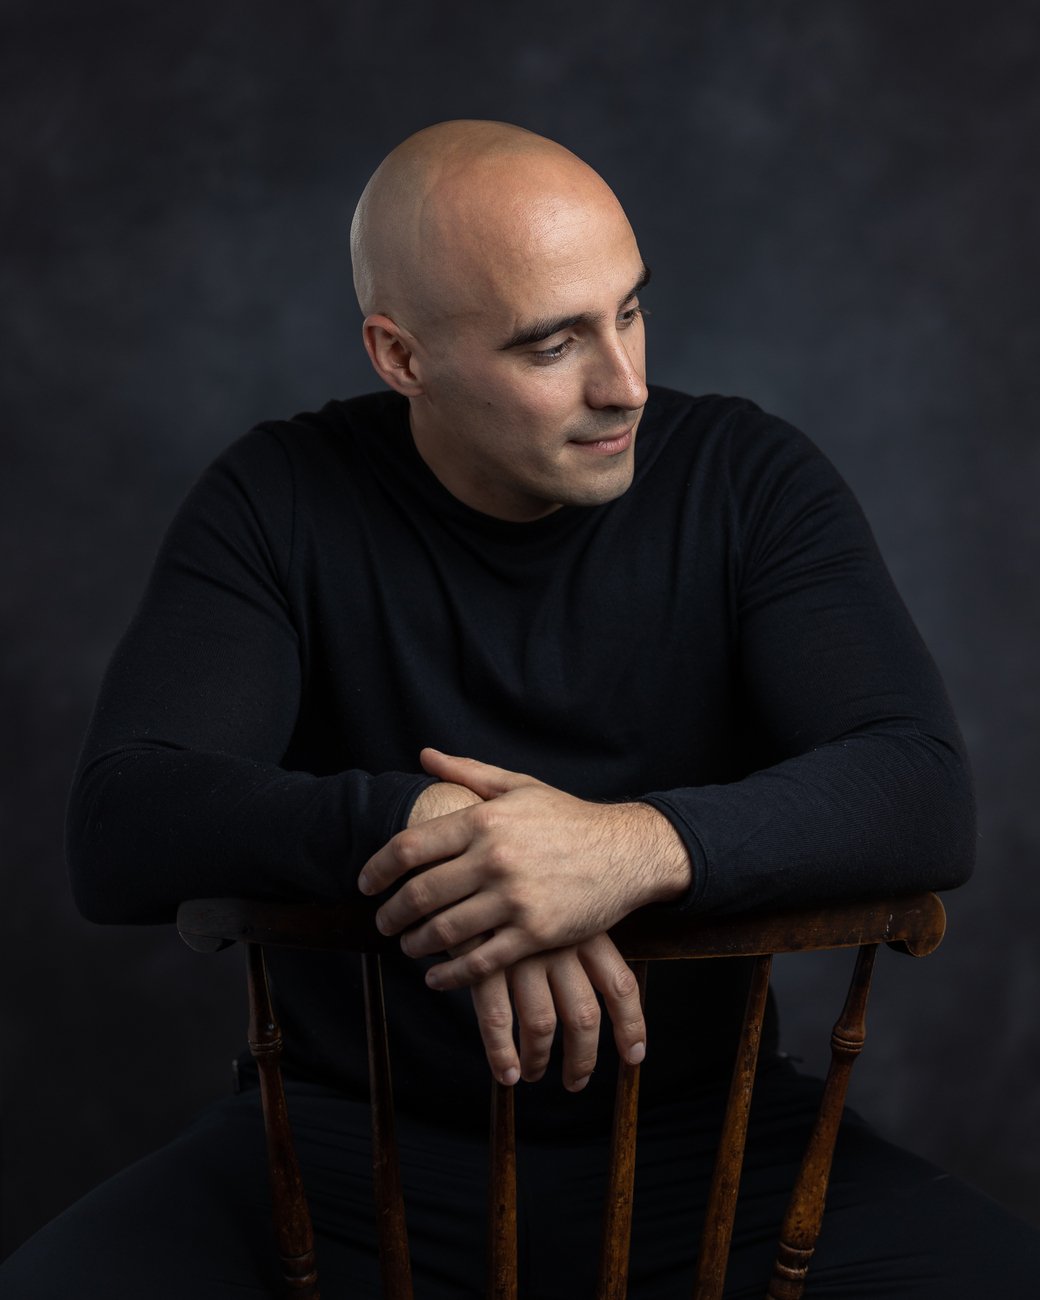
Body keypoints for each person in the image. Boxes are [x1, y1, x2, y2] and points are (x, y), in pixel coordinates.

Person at [2, 120, 1037, 1298]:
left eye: (629, 311)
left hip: (717, 1149)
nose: (622, 383)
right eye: (552, 344)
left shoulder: (747, 478)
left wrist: (620, 851)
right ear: (400, 355)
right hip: (343, 1153)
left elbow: (918, 787)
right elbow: (122, 819)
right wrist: (430, 826)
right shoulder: (278, 496)